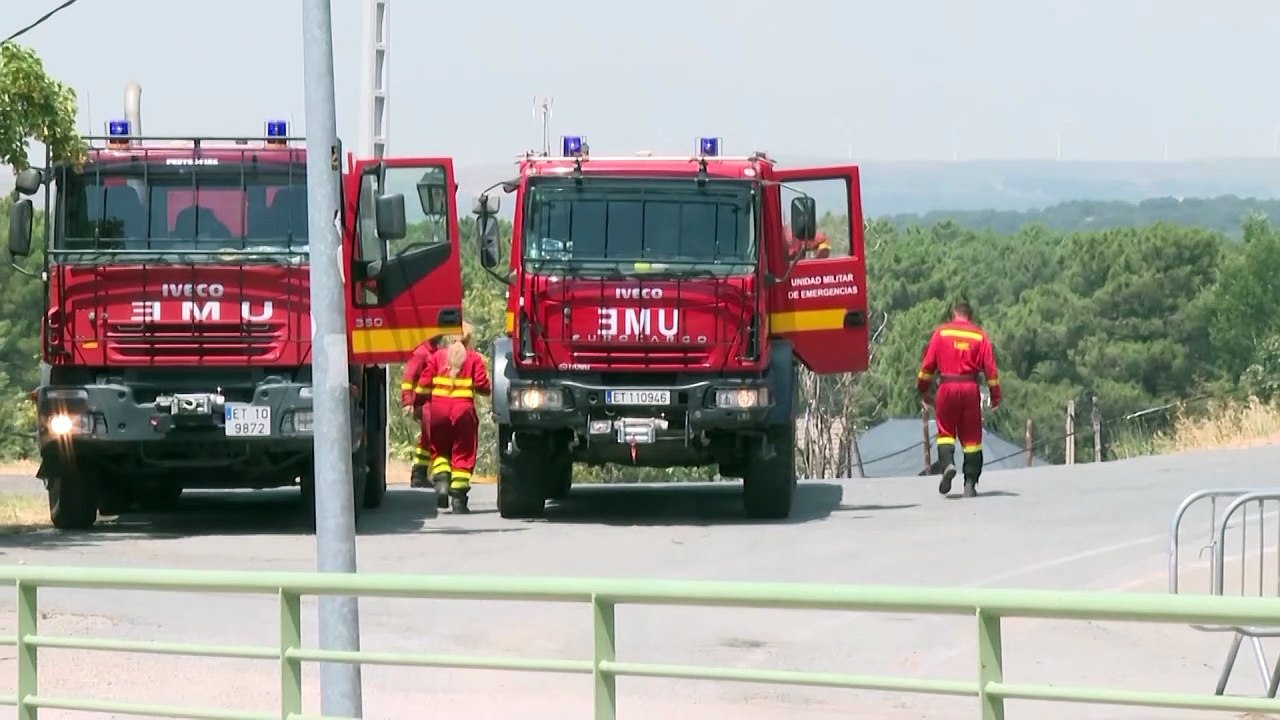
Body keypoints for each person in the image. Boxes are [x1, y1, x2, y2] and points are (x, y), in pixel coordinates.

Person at [915, 300, 1001, 498]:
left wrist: (923, 390)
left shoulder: (941, 333)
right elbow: (991, 370)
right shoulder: (979, 336)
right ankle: (970, 482)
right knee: (972, 439)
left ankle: (948, 465)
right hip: (970, 389)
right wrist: (995, 396)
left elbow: (927, 366)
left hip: (947, 388)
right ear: (970, 316)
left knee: (945, 432)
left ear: (953, 314)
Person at [415, 322, 491, 513]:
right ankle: (458, 501)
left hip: (438, 411)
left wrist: (418, 404)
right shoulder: (474, 358)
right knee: (463, 453)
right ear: (468, 338)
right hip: (464, 412)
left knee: (439, 449)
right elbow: (483, 386)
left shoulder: (437, 357)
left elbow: (423, 386)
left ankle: (441, 481)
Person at [400, 333, 445, 500]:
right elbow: (409, 378)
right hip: (424, 402)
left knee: (426, 439)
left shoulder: (434, 351)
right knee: (432, 437)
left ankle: (419, 474)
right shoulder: (421, 353)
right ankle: (435, 476)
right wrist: (408, 401)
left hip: (434, 402)